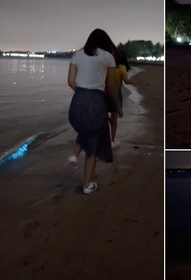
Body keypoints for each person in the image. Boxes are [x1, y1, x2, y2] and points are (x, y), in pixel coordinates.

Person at [66, 28, 123, 195]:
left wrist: (83, 93)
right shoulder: (108, 57)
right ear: (106, 42)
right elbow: (111, 87)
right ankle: (87, 185)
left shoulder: (77, 54)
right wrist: (117, 107)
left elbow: (70, 82)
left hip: (77, 102)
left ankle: (74, 155)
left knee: (86, 130)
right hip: (96, 102)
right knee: (92, 144)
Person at [106, 50, 131, 148]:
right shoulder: (122, 67)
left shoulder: (107, 67)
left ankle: (102, 138)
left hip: (105, 92)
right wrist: (135, 82)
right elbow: (126, 80)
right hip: (116, 93)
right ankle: (112, 141)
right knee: (114, 117)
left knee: (103, 114)